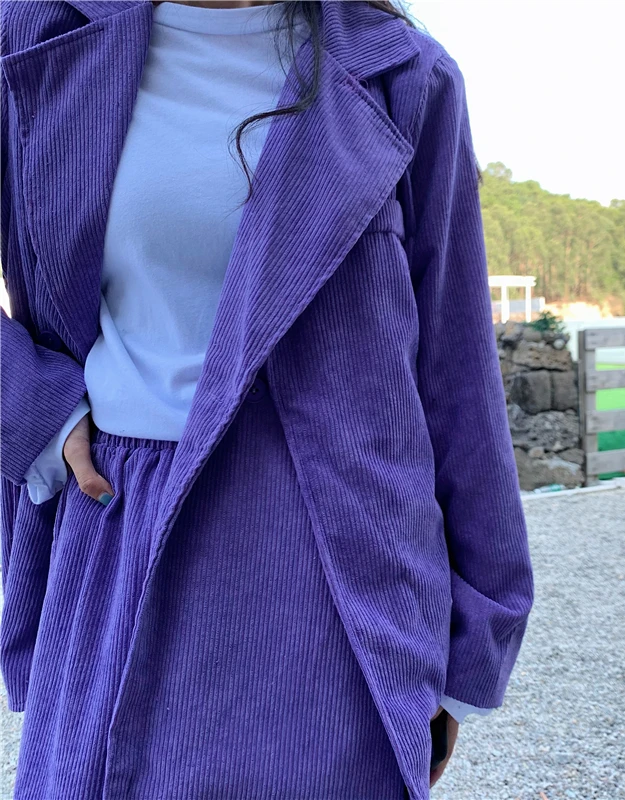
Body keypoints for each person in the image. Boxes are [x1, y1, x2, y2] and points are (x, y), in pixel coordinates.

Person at [0, 1, 535, 798]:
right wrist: (33, 410)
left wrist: (473, 643)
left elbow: (457, 372)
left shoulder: (403, 74)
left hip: (339, 569)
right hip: (119, 531)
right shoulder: (37, 34)